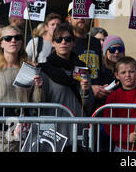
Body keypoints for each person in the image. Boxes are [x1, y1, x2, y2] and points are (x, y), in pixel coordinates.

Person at [37, 22, 94, 151]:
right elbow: (39, 104)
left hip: (78, 133)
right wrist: (38, 88)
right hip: (54, 134)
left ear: (73, 43)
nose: (63, 42)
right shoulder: (44, 70)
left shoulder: (82, 69)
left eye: (68, 39)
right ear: (53, 43)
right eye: (59, 39)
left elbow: (89, 106)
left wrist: (85, 91)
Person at [67, 3, 102, 99]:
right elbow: (66, 72)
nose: (81, 18)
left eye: (85, 14)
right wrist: (90, 87)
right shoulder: (66, 41)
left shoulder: (95, 42)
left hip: (97, 97)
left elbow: (101, 69)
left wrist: (104, 86)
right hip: (77, 95)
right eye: (76, 14)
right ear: (69, 19)